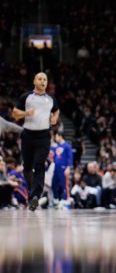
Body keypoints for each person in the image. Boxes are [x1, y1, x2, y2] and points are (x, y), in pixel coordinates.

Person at [12, 72, 59, 211]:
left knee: (39, 164)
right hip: (27, 135)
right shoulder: (26, 97)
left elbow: (56, 111)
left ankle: (35, 197)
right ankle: (32, 195)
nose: (43, 81)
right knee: (27, 167)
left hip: (44, 136)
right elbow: (14, 113)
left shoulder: (51, 99)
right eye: (40, 78)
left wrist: (55, 118)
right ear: (34, 81)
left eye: (45, 79)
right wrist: (25, 113)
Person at [50, 131, 73, 205]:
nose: (55, 138)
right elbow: (52, 155)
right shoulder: (56, 147)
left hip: (63, 168)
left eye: (56, 136)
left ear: (60, 136)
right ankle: (56, 199)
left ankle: (66, 200)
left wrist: (68, 168)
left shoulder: (67, 146)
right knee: (53, 185)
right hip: (56, 168)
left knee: (64, 185)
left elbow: (70, 158)